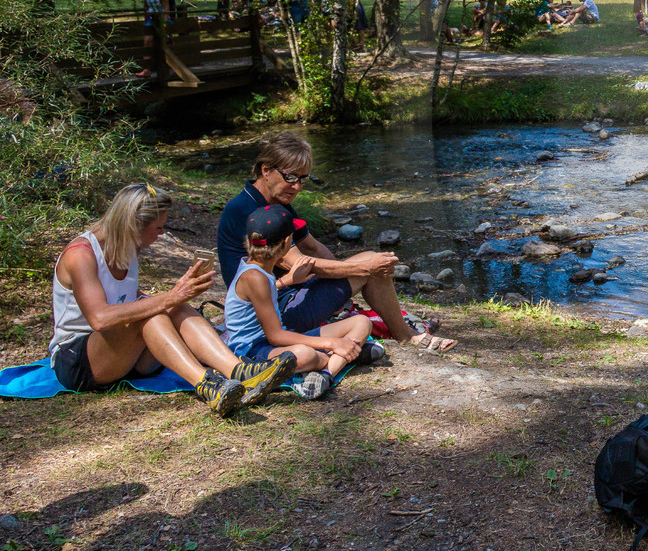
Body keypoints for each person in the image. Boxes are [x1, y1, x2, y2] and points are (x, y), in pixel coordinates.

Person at [49, 183, 294, 415]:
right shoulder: (81, 255)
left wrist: (176, 298)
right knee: (155, 312)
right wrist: (170, 296)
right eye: (158, 228)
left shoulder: (125, 246)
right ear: (135, 225)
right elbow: (99, 318)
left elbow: (127, 297)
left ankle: (237, 371)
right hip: (78, 361)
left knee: (173, 307)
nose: (162, 233)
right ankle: (207, 385)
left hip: (124, 354)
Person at [217, 132, 457, 352]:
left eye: (303, 179)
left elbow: (312, 246)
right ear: (266, 170)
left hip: (288, 297)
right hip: (273, 314)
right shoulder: (246, 210)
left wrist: (343, 288)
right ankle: (405, 335)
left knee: (367, 263)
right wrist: (364, 269)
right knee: (369, 264)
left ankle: (397, 330)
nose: (297, 186)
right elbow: (299, 263)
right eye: (290, 177)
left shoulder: (277, 203)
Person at [224, 205, 380, 399]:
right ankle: (339, 360)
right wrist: (332, 342)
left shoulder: (255, 268)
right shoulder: (256, 277)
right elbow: (276, 336)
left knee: (361, 322)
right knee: (305, 355)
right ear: (287, 242)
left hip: (271, 342)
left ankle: (326, 372)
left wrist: (289, 280)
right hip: (252, 351)